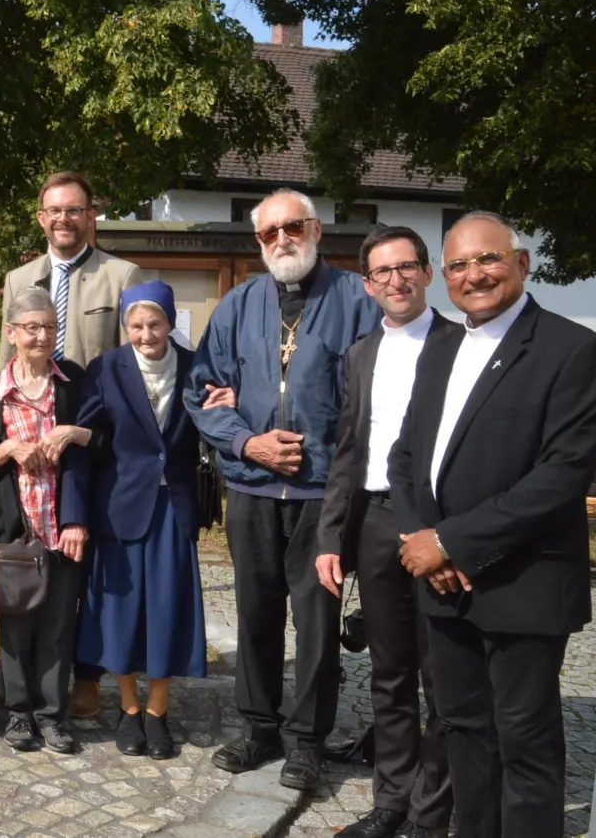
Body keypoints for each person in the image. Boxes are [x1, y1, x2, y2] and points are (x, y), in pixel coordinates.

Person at [388, 212, 596, 838]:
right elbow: (406, 458)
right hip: (443, 585)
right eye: (458, 265)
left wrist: (450, 542)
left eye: (488, 259)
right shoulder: (441, 349)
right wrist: (422, 540)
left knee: (524, 741)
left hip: (523, 583)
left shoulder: (573, 348)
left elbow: (562, 474)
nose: (474, 275)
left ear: (522, 263)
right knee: (462, 730)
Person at [183, 188, 378, 791]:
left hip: (323, 493)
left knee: (316, 622)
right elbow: (202, 392)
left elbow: (376, 396)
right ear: (258, 242)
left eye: (292, 227)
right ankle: (258, 727)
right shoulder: (238, 306)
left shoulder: (357, 300)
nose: (282, 240)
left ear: (316, 230)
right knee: (255, 614)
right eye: (269, 233)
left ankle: (308, 741)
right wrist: (248, 443)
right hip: (252, 488)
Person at [314, 226, 456, 838]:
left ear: (426, 273)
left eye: (406, 267)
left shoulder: (461, 344)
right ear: (368, 285)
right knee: (389, 672)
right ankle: (392, 799)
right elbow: (348, 450)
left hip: (438, 522)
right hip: (374, 519)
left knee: (442, 675)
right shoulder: (361, 353)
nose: (395, 280)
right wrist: (331, 537)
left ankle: (432, 810)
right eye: (382, 272)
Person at [0, 170, 144, 718]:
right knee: (31, 561)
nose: (64, 219)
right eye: (55, 210)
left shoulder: (121, 275)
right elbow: (5, 363)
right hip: (32, 445)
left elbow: (137, 361)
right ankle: (29, 679)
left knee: (89, 563)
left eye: (75, 210)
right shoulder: (19, 279)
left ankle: (86, 675)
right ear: (42, 218)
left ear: (91, 216)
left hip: (92, 438)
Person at [63, 281, 208, 761]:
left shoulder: (196, 367)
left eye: (155, 324)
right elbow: (82, 443)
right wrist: (75, 514)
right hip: (120, 506)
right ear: (126, 327)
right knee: (121, 611)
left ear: (171, 322)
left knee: (167, 608)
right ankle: (128, 708)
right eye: (137, 326)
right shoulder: (106, 368)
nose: (146, 335)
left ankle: (157, 711)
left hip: (174, 505)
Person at [0, 287, 93, 754]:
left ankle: (52, 715)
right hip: (13, 529)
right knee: (16, 625)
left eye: (49, 327)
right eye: (31, 327)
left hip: (63, 525)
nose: (41, 336)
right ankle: (19, 714)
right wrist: (6, 449)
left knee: (59, 625)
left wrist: (78, 518)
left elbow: (97, 452)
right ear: (11, 333)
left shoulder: (74, 384)